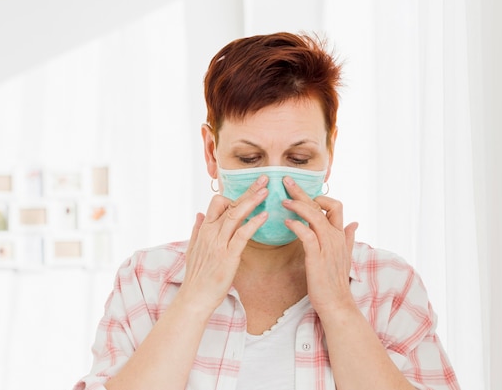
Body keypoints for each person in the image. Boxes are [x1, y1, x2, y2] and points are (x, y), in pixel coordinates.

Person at [74, 32, 460, 390]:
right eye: (249, 158)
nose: (274, 182)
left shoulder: (388, 285)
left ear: (329, 153)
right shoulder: (146, 281)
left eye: (298, 157)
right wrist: (193, 300)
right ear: (211, 152)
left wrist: (340, 308)